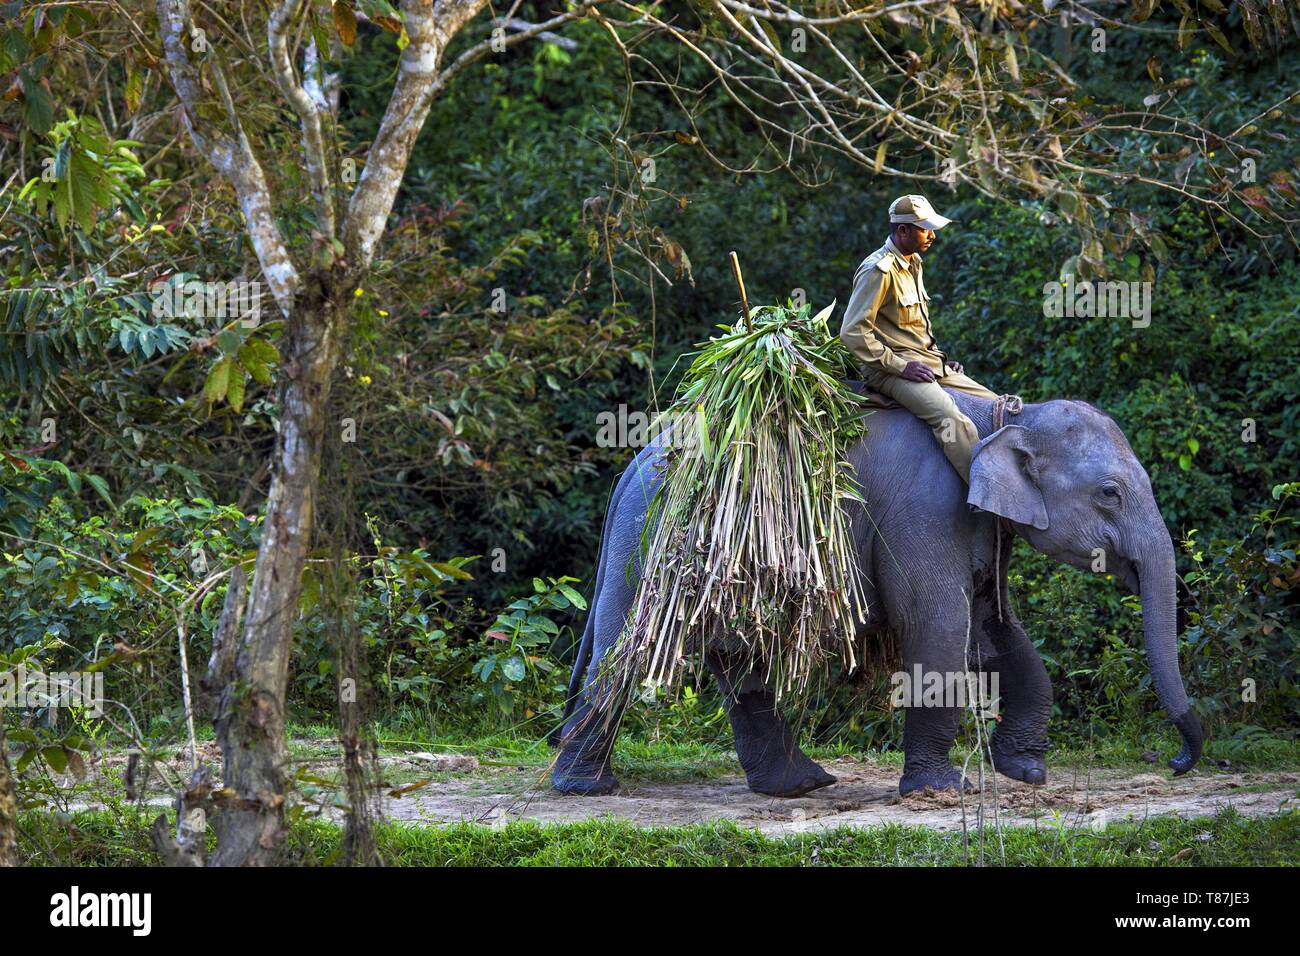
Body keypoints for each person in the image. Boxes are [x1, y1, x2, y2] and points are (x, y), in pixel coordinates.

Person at [839, 194, 998, 484]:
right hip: (890, 370)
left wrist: (941, 362)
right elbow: (852, 331)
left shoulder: (914, 262)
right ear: (903, 231)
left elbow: (913, 330)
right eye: (925, 228)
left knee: (997, 405)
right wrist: (901, 367)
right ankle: (988, 494)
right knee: (949, 418)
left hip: (926, 363)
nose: (932, 235)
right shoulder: (878, 270)